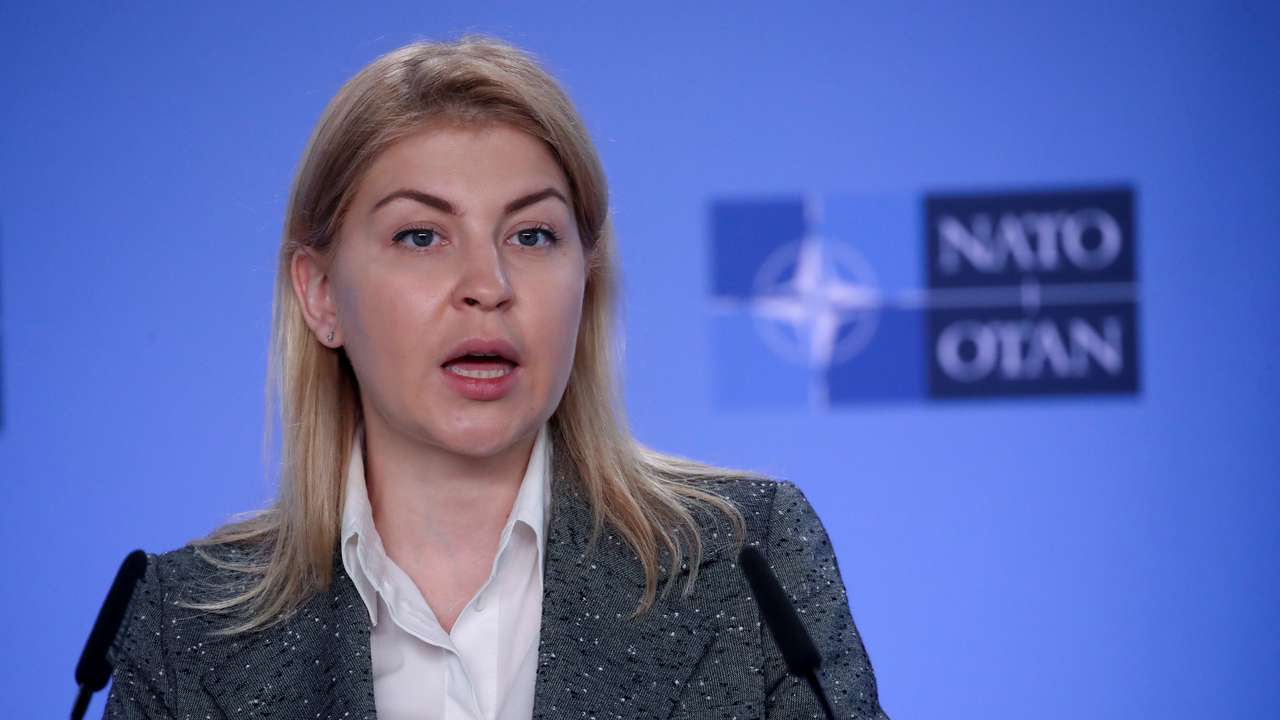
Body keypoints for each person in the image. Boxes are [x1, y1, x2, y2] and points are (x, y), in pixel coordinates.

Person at [103, 35, 889, 720]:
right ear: (320, 296)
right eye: (421, 236)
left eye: (532, 234)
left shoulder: (747, 558)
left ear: (587, 277)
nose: (488, 283)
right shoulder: (186, 626)